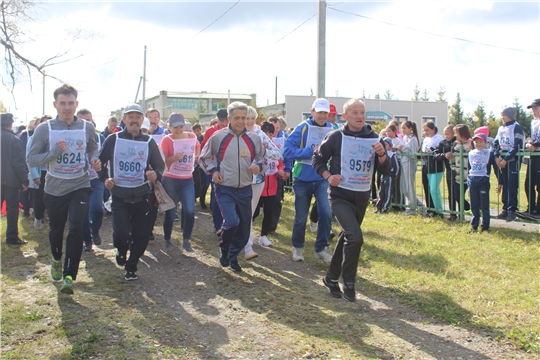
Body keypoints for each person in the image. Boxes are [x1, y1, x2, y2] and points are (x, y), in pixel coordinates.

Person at [313, 98, 390, 302]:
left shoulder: (374, 138)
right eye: (354, 112)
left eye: (362, 112)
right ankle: (349, 282)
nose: (359, 116)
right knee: (355, 237)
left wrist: (382, 155)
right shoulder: (336, 137)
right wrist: (329, 176)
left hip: (361, 197)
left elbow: (386, 169)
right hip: (340, 196)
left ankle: (330, 278)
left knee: (346, 237)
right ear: (345, 116)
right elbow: (317, 160)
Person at [27, 84, 101, 294]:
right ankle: (56, 259)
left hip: (80, 184)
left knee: (77, 228)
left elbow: (93, 147)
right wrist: (53, 154)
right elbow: (31, 158)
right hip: (55, 187)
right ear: (55, 104)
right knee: (56, 230)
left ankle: (70, 275)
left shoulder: (86, 127)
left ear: (76, 104)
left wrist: (94, 159)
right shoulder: (44, 129)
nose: (67, 108)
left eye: (71, 103)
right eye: (63, 103)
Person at [99, 104, 165, 281]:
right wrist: (105, 179)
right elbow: (100, 162)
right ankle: (121, 250)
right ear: (124, 119)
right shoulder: (113, 140)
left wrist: (155, 174)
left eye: (138, 116)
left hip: (142, 195)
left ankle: (131, 267)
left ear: (142, 120)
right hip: (120, 195)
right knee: (121, 234)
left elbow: (160, 165)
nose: (134, 120)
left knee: (141, 235)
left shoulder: (149, 141)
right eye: (131, 116)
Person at [199, 102, 266, 272]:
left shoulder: (254, 138)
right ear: (229, 118)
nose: (240, 121)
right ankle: (225, 248)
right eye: (237, 118)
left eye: (243, 118)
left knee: (244, 229)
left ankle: (233, 255)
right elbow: (203, 157)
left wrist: (258, 167)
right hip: (224, 188)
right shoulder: (218, 137)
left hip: (245, 188)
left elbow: (262, 159)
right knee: (232, 222)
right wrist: (213, 172)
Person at [283, 98, 333, 263]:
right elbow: (287, 151)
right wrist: (310, 151)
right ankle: (297, 247)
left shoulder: (333, 129)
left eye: (325, 113)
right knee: (301, 216)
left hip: (322, 179)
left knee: (326, 212)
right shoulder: (302, 128)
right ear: (312, 112)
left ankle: (321, 248)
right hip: (303, 180)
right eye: (319, 112)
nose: (322, 116)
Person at [242, 107, 282, 260]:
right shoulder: (236, 133)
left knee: (250, 212)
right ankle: (235, 238)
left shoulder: (261, 135)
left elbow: (277, 153)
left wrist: (262, 153)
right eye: (247, 118)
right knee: (238, 211)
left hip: (257, 179)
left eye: (253, 118)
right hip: (238, 178)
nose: (250, 122)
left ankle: (248, 245)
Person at [160, 113, 200, 252]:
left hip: (187, 179)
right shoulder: (166, 140)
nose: (178, 130)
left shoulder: (192, 137)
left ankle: (186, 240)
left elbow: (197, 146)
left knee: (189, 210)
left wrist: (197, 156)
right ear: (169, 127)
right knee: (171, 213)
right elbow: (161, 161)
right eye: (175, 127)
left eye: (181, 127)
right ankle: (167, 239)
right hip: (170, 179)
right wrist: (174, 158)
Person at [76, 109, 106, 252]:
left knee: (97, 209)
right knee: (82, 212)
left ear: (92, 121)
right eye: (82, 120)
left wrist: (103, 164)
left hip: (96, 179)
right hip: (79, 181)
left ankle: (95, 230)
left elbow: (107, 156)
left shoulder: (100, 138)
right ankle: (86, 240)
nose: (86, 123)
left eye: (88, 120)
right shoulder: (74, 137)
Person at [252, 121, 285, 248]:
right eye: (265, 134)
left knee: (269, 211)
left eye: (270, 135)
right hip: (259, 182)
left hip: (272, 184)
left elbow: (279, 161)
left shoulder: (274, 147)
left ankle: (263, 236)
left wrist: (281, 170)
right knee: (253, 211)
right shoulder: (256, 148)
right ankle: (246, 230)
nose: (268, 137)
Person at [1, 113, 29, 245]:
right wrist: (24, 180)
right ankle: (11, 237)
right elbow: (18, 162)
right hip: (10, 181)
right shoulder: (14, 139)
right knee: (12, 209)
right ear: (11, 124)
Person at [200, 109, 229, 235]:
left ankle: (226, 222)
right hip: (215, 169)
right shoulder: (210, 131)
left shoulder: (234, 131)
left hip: (229, 168)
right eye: (221, 120)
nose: (224, 123)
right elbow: (203, 149)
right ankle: (218, 226)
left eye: (226, 120)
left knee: (228, 197)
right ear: (216, 119)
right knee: (216, 196)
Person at [494, 107, 525, 222]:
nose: (502, 117)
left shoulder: (517, 127)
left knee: (512, 184)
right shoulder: (501, 128)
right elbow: (496, 143)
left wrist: (506, 159)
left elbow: (517, 145)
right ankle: (505, 208)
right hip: (503, 161)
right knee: (505, 184)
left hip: (513, 160)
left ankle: (512, 209)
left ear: (510, 115)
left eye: (504, 115)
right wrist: (496, 156)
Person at [467, 133, 500, 233]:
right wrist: (468, 185)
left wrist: (500, 182)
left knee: (484, 205)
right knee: (474, 205)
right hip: (473, 180)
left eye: (481, 142)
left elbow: (495, 168)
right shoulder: (471, 153)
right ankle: (474, 225)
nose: (479, 144)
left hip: (483, 181)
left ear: (486, 142)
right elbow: (469, 169)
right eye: (476, 142)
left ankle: (485, 226)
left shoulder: (489, 153)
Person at [27, 115, 53, 230]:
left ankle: (52, 219)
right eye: (44, 123)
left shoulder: (55, 136)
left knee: (52, 197)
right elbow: (29, 158)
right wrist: (34, 175)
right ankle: (38, 216)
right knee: (39, 198)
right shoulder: (34, 138)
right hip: (40, 172)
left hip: (52, 172)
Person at [267, 116, 291, 235]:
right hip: (265, 175)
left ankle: (272, 227)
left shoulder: (285, 138)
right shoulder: (263, 136)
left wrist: (287, 169)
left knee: (276, 200)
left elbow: (287, 154)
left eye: (277, 128)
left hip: (278, 175)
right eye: (273, 128)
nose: (275, 130)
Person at [397, 121, 423, 214]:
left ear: (411, 129)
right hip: (404, 162)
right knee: (404, 188)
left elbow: (413, 154)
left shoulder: (413, 139)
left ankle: (412, 208)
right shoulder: (405, 138)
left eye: (404, 128)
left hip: (410, 163)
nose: (402, 130)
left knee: (409, 186)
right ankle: (419, 204)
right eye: (402, 128)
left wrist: (403, 149)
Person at [421, 121, 444, 217]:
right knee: (429, 188)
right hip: (427, 166)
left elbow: (437, 151)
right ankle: (431, 209)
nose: (426, 132)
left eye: (427, 130)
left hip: (436, 167)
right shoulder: (426, 139)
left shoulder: (438, 139)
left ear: (433, 129)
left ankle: (439, 210)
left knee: (434, 189)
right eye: (424, 130)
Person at [433, 125, 457, 219]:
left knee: (459, 193)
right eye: (445, 134)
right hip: (449, 170)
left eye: (448, 134)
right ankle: (452, 213)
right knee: (451, 193)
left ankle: (465, 209)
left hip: (461, 170)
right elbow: (435, 155)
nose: (446, 136)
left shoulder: (458, 142)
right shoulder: (443, 143)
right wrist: (444, 155)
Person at [524, 99, 540, 219]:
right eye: (532, 109)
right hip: (533, 156)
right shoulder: (534, 122)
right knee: (528, 183)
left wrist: (534, 144)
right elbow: (531, 138)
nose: (533, 111)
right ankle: (531, 207)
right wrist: (529, 143)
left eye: (536, 108)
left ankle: (538, 211)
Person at [375, 138, 399, 213]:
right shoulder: (382, 153)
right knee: (381, 191)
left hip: (390, 175)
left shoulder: (392, 155)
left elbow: (396, 166)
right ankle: (379, 206)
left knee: (388, 192)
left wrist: (395, 173)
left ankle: (385, 207)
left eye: (386, 144)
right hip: (383, 174)